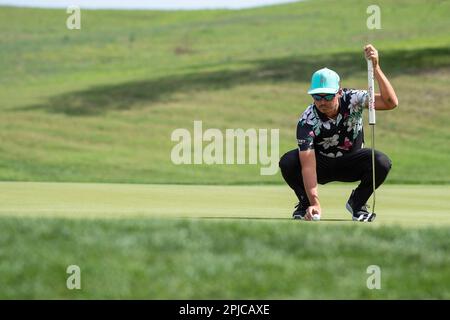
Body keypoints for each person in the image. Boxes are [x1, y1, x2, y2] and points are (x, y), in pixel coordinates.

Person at [279, 44, 398, 222]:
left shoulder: (354, 99)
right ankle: (306, 204)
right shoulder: (307, 120)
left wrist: (376, 68)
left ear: (339, 92)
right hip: (322, 165)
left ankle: (357, 203)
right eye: (317, 96)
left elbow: (390, 102)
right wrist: (315, 202)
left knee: (381, 161)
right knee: (288, 162)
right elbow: (309, 165)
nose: (322, 101)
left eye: (327, 96)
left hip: (352, 160)